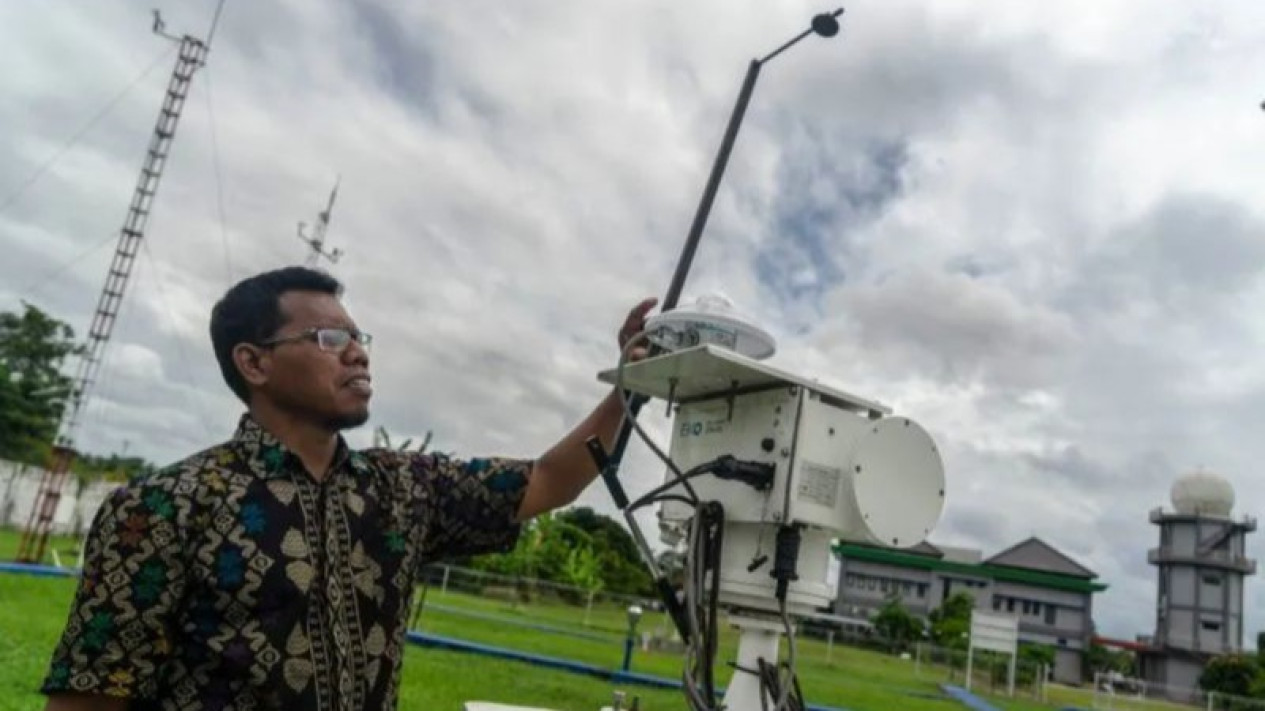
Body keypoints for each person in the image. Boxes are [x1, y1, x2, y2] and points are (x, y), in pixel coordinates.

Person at [39, 266, 657, 711]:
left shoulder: (404, 490)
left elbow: (550, 480)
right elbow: (87, 698)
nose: (358, 354)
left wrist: (630, 383)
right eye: (331, 340)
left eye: (360, 339)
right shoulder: (162, 508)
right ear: (253, 362)